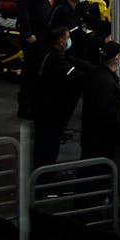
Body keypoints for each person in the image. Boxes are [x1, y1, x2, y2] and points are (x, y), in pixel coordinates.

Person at [32, 25, 84, 168]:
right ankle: (43, 182)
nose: (69, 41)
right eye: (67, 38)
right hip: (50, 113)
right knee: (47, 149)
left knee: (46, 147)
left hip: (46, 111)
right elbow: (76, 75)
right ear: (61, 41)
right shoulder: (56, 59)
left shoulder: (50, 53)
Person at [15, 0, 55, 119]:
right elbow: (22, 11)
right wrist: (28, 34)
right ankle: (25, 107)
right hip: (34, 34)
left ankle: (37, 104)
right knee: (31, 71)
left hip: (45, 32)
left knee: (41, 70)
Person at [80, 39, 120, 164]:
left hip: (91, 137)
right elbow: (107, 114)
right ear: (116, 59)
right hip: (100, 142)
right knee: (97, 174)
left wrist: (117, 99)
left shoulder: (98, 74)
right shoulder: (106, 82)